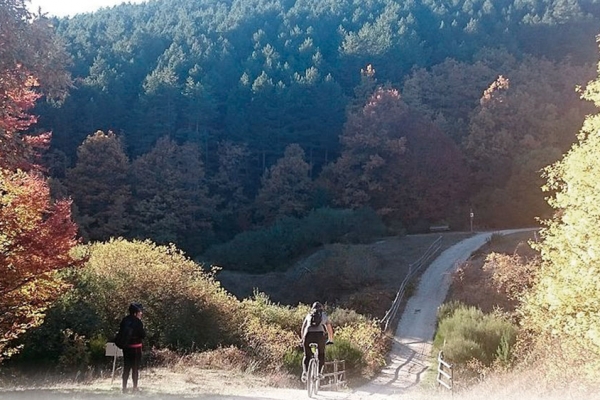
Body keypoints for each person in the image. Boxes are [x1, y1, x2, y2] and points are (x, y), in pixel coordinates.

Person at [300, 301, 334, 383]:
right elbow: (329, 328)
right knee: (321, 354)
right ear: (321, 309)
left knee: (307, 356)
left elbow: (303, 328)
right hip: (319, 336)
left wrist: (302, 339)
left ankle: (305, 372)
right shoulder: (323, 315)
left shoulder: (309, 315)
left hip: (308, 336)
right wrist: (330, 339)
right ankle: (319, 373)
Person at [120, 303, 146, 393]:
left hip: (126, 348)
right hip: (136, 348)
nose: (141, 313)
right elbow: (143, 335)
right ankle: (135, 388)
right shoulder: (138, 322)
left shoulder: (124, 320)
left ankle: (124, 387)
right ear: (136, 312)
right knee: (135, 369)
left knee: (126, 368)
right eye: (140, 311)